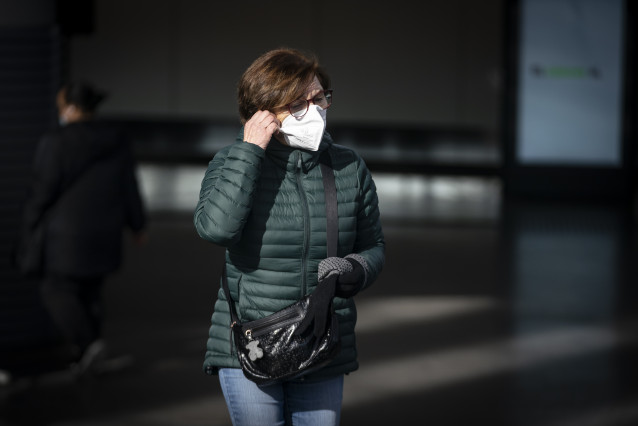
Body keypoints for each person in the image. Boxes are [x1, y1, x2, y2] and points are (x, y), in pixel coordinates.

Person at [194, 48, 385, 425]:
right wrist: (249, 152)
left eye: (319, 98)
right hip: (252, 343)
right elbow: (215, 229)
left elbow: (374, 246)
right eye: (297, 104)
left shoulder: (347, 167)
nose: (314, 111)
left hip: (321, 341)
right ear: (263, 112)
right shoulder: (233, 161)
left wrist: (352, 268)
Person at [20, 82, 146, 373]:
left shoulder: (56, 141)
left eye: (61, 106)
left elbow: (42, 191)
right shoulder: (116, 139)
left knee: (56, 290)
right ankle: (88, 355)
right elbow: (130, 185)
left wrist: (28, 227)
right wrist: (138, 224)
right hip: (106, 232)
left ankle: (89, 345)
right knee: (90, 293)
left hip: (65, 236)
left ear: (72, 108)